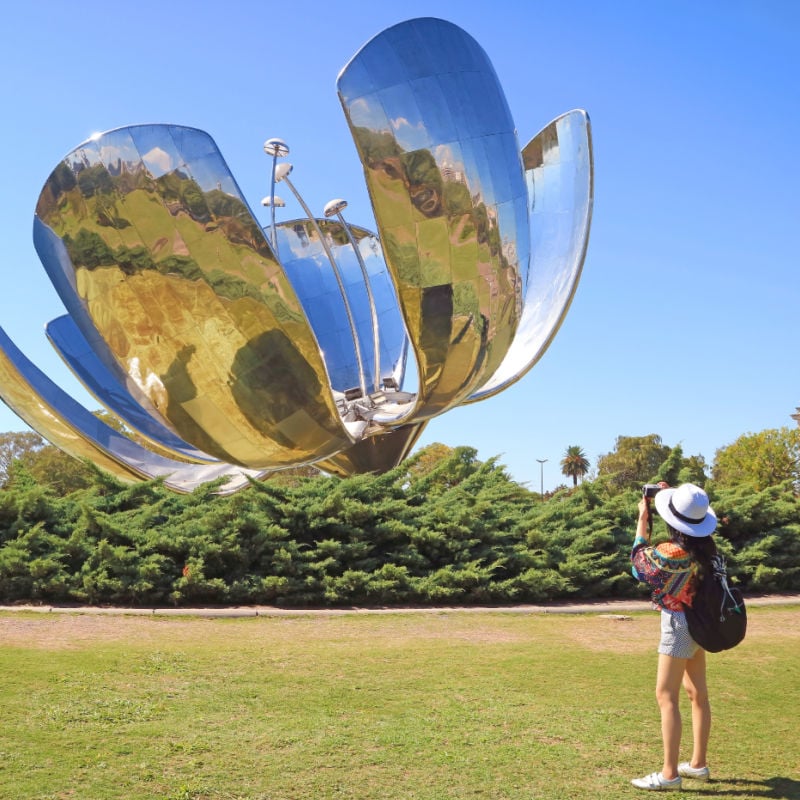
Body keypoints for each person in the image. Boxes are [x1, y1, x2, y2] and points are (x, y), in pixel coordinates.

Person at [629, 482, 719, 791]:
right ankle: (698, 764)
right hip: (699, 622)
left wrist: (643, 519)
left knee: (666, 696)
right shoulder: (707, 547)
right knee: (698, 694)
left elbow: (638, 568)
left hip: (678, 623)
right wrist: (678, 495)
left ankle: (669, 774)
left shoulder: (672, 552)